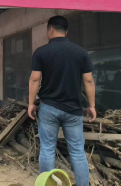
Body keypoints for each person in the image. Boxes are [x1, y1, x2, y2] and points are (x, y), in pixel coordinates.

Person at [28, 16, 96, 186]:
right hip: (73, 110)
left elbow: (35, 79)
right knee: (78, 152)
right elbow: (88, 81)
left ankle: (46, 184)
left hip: (49, 108)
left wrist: (30, 103)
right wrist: (92, 106)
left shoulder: (41, 52)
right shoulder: (80, 52)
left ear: (50, 30)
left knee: (48, 149)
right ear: (66, 31)